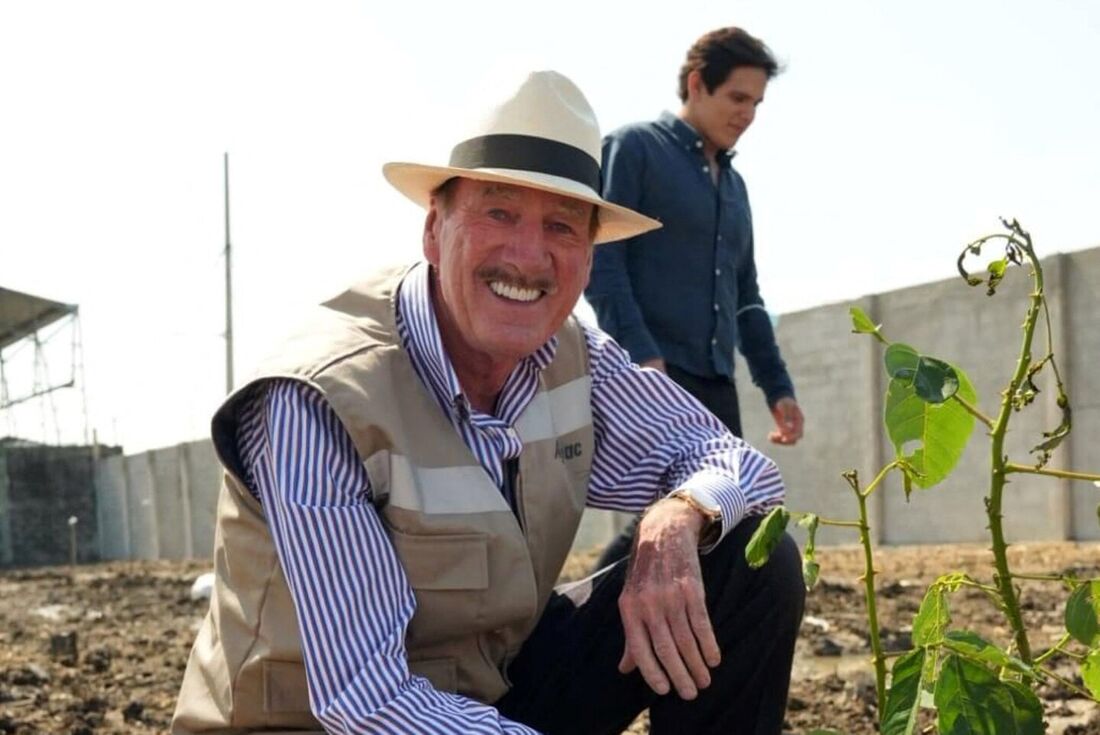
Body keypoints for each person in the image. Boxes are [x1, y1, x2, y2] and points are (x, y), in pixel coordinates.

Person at [172, 70, 803, 735]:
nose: (528, 256)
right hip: (323, 723)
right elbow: (366, 700)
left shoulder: (570, 355)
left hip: (487, 698)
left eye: (562, 226)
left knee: (748, 563)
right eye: (499, 212)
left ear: (587, 258)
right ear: (434, 228)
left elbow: (735, 462)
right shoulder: (318, 399)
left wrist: (679, 516)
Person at [585, 27, 805, 567]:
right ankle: (571, 630)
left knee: (719, 523)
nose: (748, 114)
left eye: (756, 102)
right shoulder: (634, 149)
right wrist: (642, 356)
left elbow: (746, 296)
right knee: (662, 522)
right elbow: (601, 261)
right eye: (737, 98)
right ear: (696, 85)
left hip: (715, 381)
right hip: (654, 374)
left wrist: (777, 386)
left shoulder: (734, 188)